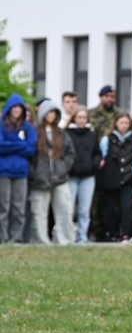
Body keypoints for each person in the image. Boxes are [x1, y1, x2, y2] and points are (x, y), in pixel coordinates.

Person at [28, 99, 76, 245]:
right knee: (39, 212)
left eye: (54, 113)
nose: (51, 115)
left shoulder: (61, 134)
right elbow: (29, 154)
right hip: (39, 180)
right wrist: (34, 172)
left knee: (65, 210)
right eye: (49, 112)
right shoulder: (34, 133)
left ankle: (66, 241)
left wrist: (62, 168)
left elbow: (70, 153)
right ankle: (42, 240)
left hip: (60, 178)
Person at [97, 110, 132, 242]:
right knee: (110, 208)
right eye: (121, 122)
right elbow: (102, 157)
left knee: (127, 207)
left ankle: (125, 233)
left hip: (127, 178)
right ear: (116, 123)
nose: (124, 125)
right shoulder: (108, 139)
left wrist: (131, 172)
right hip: (111, 178)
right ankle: (112, 233)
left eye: (126, 123)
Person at [1, 95, 38, 244]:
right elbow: (1, 146)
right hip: (3, 171)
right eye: (14, 107)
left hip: (21, 173)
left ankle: (16, 238)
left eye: (19, 108)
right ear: (9, 109)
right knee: (3, 207)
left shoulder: (28, 127)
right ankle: (2, 238)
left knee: (19, 207)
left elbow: (31, 148)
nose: (16, 110)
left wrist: (12, 144)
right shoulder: (1, 125)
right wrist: (19, 144)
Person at [65, 108, 102, 244]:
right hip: (71, 176)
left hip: (88, 176)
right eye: (79, 117)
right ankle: (68, 236)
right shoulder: (67, 133)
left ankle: (82, 237)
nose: (81, 120)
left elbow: (97, 153)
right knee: (69, 208)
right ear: (74, 118)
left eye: (84, 117)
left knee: (84, 210)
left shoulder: (92, 135)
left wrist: (94, 165)